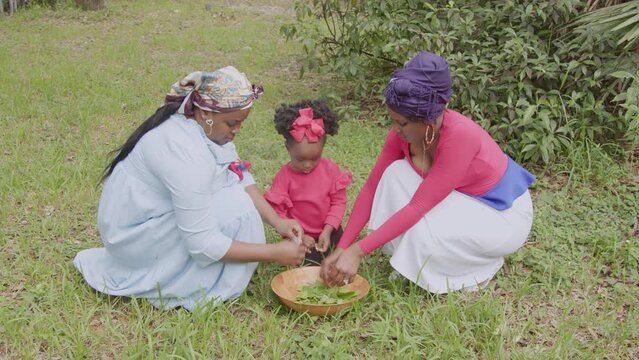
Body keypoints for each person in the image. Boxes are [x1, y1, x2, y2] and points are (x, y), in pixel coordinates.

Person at [74, 66, 307, 311]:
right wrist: (274, 253)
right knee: (237, 210)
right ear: (206, 113)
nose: (237, 131)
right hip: (135, 241)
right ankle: (184, 280)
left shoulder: (204, 127)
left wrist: (278, 221)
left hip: (153, 221)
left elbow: (238, 175)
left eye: (241, 123)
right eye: (232, 123)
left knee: (238, 201)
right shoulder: (182, 151)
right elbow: (202, 243)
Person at [320, 52, 535, 293]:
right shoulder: (401, 134)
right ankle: (426, 260)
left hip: (501, 216)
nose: (395, 130)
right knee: (393, 175)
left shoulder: (461, 137)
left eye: (402, 123)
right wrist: (342, 247)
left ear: (429, 121)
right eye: (392, 120)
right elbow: (372, 187)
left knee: (423, 231)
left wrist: (358, 251)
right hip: (462, 201)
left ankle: (476, 269)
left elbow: (419, 206)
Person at [264, 100, 352, 265]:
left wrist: (328, 229)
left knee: (340, 261)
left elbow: (338, 202)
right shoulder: (284, 177)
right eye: (300, 159)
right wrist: (300, 236)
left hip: (331, 230)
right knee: (308, 268)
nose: (307, 164)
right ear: (287, 148)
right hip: (299, 236)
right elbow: (279, 214)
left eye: (314, 158)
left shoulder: (331, 170)